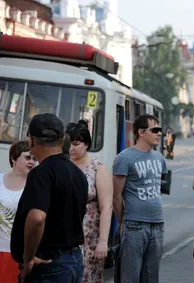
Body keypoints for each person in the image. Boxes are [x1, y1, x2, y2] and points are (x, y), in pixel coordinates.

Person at [10, 113, 88, 283]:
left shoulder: (41, 173)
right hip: (74, 260)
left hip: (49, 266)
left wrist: (28, 258)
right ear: (62, 141)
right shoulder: (78, 173)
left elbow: (37, 218)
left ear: (31, 141)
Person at [112, 114, 168, 283]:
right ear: (141, 132)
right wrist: (123, 223)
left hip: (157, 224)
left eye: (160, 130)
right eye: (155, 130)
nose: (159, 134)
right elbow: (116, 196)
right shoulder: (124, 158)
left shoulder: (159, 158)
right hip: (134, 225)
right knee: (130, 278)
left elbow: (160, 189)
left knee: (151, 278)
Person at [66, 119, 113, 283]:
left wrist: (103, 241)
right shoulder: (62, 166)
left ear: (86, 144)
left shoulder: (97, 168)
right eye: (68, 143)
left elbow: (106, 207)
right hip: (63, 237)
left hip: (89, 238)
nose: (71, 148)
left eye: (76, 143)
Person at [0, 141, 36, 283]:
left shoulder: (34, 186)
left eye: (34, 159)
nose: (32, 162)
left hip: (18, 254)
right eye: (27, 157)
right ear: (14, 158)